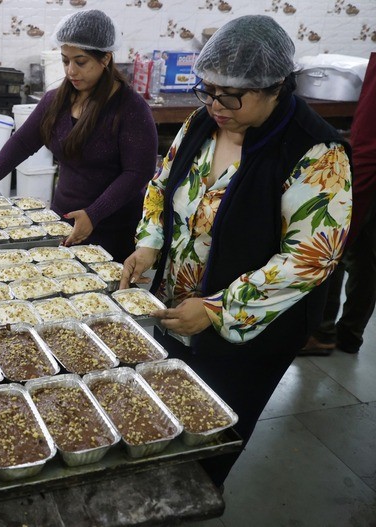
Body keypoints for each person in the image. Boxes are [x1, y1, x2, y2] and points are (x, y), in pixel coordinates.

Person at [120, 15, 352, 487]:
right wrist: (149, 243)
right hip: (174, 304)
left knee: (211, 427)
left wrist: (215, 309)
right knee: (163, 406)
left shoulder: (315, 152)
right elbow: (160, 186)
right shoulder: (203, 122)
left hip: (248, 327)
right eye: (207, 89)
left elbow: (310, 258)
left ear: (276, 88)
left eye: (231, 95)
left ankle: (193, 494)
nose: (216, 104)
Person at [0, 9, 158, 262]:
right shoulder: (56, 100)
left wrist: (94, 213)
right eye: (65, 60)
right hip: (63, 218)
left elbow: (138, 173)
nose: (71, 70)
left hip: (111, 226)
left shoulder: (130, 108)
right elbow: (23, 141)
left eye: (80, 61)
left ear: (105, 59)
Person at [300, 51, 376, 356]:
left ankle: (322, 332)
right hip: (366, 163)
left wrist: (345, 203)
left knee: (332, 241)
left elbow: (368, 146)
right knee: (365, 255)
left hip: (365, 168)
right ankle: (349, 335)